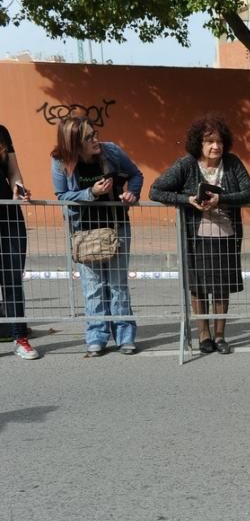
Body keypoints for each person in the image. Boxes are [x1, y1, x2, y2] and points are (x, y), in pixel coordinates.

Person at [150, 114, 250, 354]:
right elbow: (155, 190)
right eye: (209, 141)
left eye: (219, 141)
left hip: (227, 235)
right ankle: (204, 335)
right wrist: (187, 200)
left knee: (222, 286)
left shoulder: (232, 163)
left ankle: (220, 336)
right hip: (195, 237)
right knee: (198, 287)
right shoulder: (186, 165)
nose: (215, 146)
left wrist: (223, 198)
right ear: (198, 143)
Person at [51, 116, 143, 355]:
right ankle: (96, 337)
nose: (96, 140)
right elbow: (61, 196)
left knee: (118, 285)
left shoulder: (111, 151)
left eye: (95, 133)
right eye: (89, 137)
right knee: (93, 287)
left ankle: (125, 335)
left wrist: (131, 193)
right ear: (74, 144)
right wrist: (90, 192)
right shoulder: (61, 161)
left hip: (116, 227)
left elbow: (136, 175)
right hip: (84, 232)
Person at [1, 124, 39, 359]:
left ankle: (20, 338)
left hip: (8, 214)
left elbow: (13, 172)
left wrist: (19, 188)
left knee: (12, 277)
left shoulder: (2, 132)